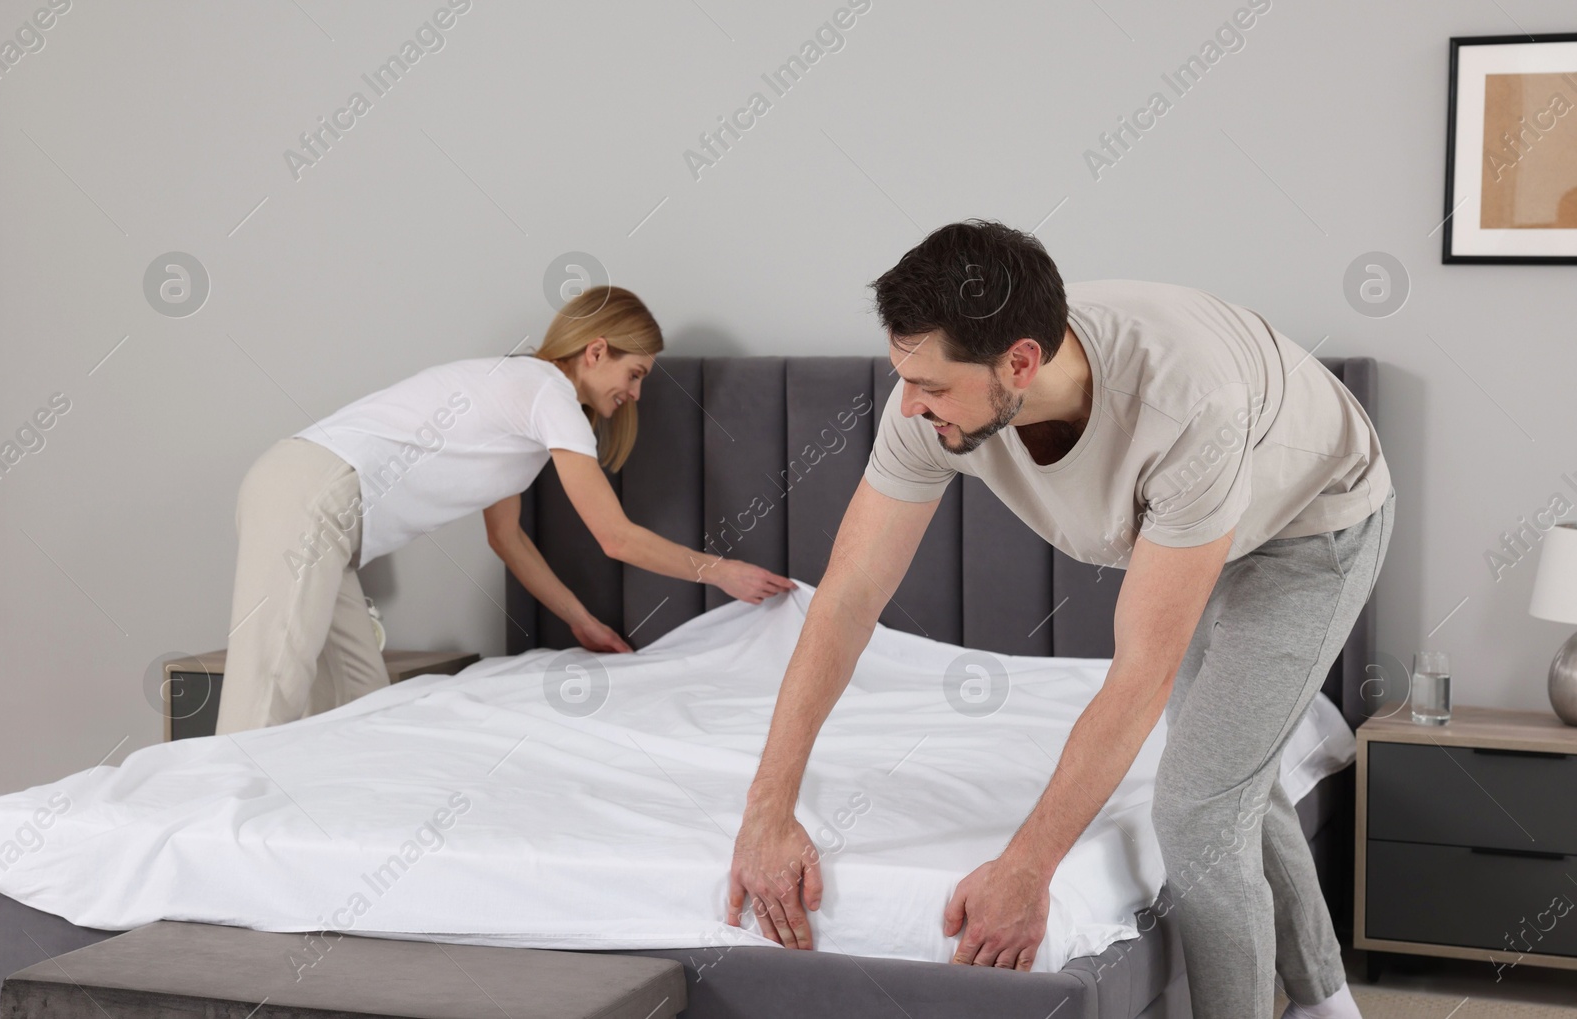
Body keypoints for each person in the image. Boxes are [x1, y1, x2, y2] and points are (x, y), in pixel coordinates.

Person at [725, 222, 1391, 1019]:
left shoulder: (1188, 405)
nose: (908, 404)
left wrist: (1027, 866)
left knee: (1198, 803)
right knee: (1228, 767)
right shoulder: (932, 408)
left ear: (1021, 363)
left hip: (1309, 526)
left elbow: (1139, 671)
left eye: (930, 385)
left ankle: (1302, 1002)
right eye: (904, 376)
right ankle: (1329, 1004)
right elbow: (845, 597)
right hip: (1190, 518)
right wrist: (767, 809)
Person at [214, 286, 794, 735]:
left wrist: (581, 622)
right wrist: (721, 571)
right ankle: (202, 830)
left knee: (361, 705)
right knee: (268, 690)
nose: (635, 393)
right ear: (595, 351)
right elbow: (614, 537)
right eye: (634, 373)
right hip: (312, 491)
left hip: (331, 524)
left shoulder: (520, 405)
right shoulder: (548, 393)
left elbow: (507, 539)